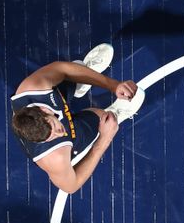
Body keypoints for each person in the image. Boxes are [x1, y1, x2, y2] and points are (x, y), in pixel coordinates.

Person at [10, 43, 146, 193]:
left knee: (66, 72)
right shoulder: (55, 156)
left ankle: (82, 79)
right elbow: (71, 186)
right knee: (103, 118)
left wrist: (113, 85)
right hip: (65, 146)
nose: (60, 133)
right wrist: (104, 140)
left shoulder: (34, 87)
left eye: (55, 127)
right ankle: (115, 114)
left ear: (43, 109)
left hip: (54, 96)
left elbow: (62, 69)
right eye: (51, 137)